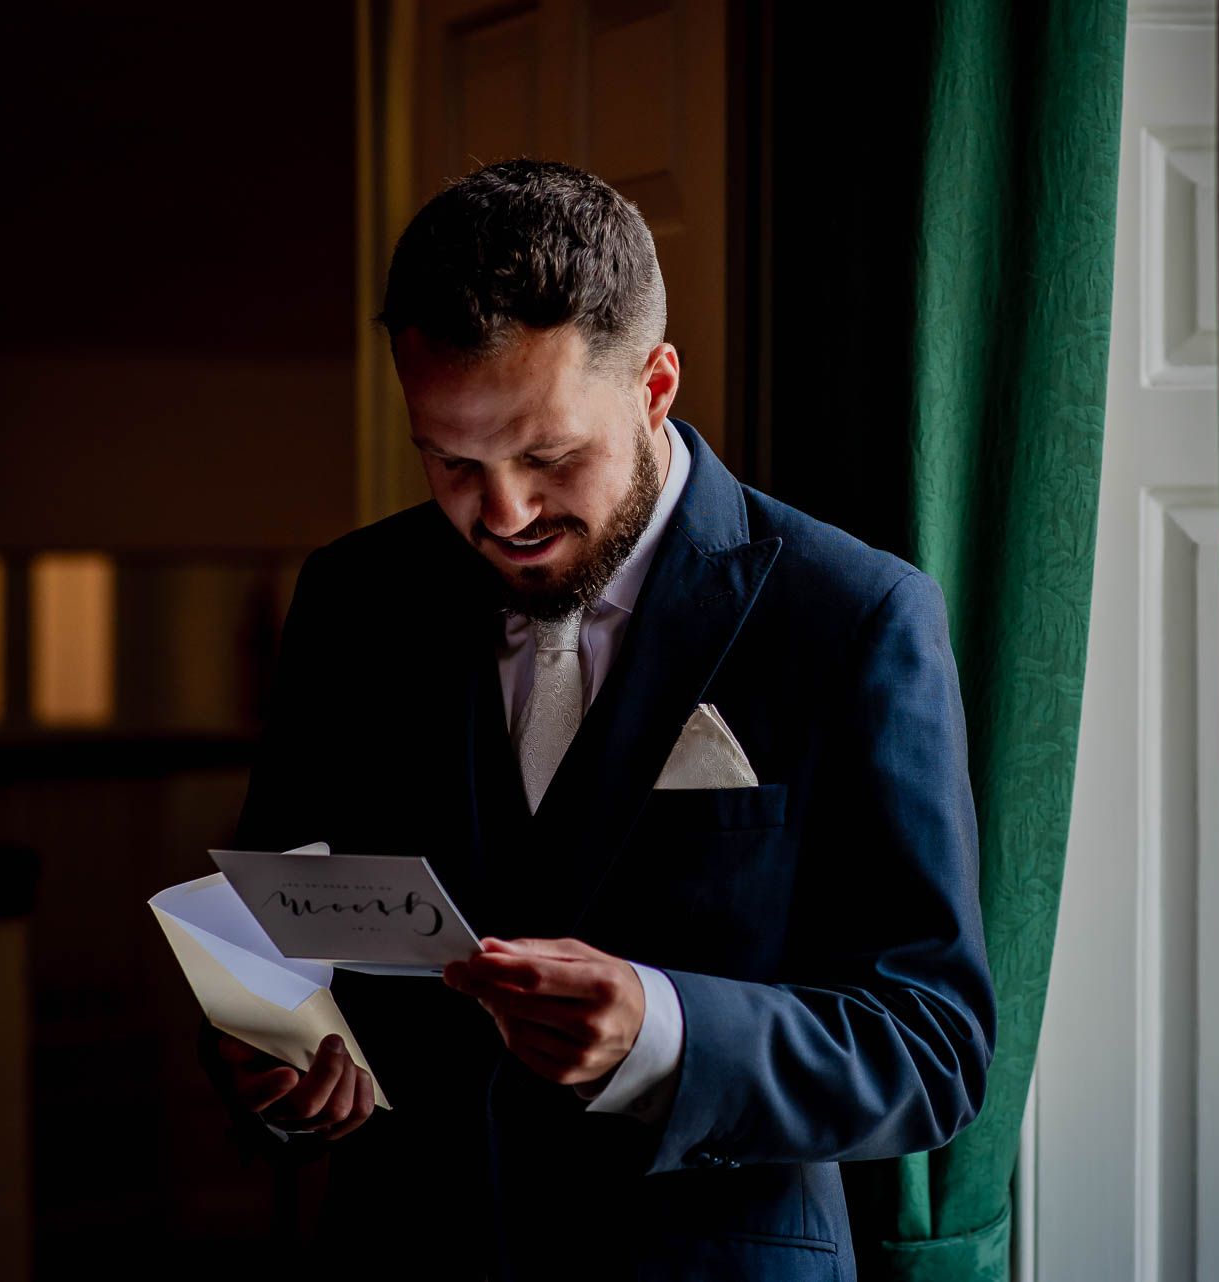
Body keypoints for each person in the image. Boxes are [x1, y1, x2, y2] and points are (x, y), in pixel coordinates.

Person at [199, 158, 995, 1281]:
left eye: (550, 455)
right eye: (452, 461)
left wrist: (664, 1033)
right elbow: (267, 923)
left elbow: (934, 1043)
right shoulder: (355, 597)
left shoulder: (852, 616)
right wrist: (271, 1061)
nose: (505, 512)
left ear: (656, 384)